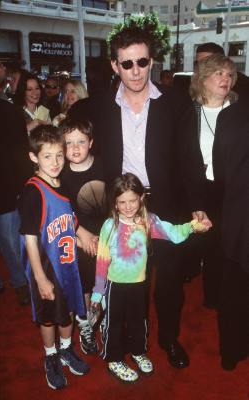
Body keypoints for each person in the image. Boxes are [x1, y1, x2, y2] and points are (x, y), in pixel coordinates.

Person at [80, 14, 208, 369]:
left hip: (165, 206)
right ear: (115, 66)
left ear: (152, 61)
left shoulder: (176, 101)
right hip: (120, 211)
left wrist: (197, 204)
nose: (136, 70)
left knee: (168, 283)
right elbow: (86, 157)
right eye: (127, 63)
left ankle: (168, 339)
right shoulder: (100, 105)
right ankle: (121, 343)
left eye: (142, 61)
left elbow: (189, 157)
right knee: (122, 284)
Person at [91, 173, 211, 382]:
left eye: (132, 200)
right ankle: (114, 359)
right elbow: (102, 261)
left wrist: (192, 226)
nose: (128, 207)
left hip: (139, 285)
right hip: (115, 286)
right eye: (122, 202)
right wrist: (98, 292)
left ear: (141, 198)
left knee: (139, 322)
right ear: (115, 203)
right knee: (114, 324)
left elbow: (173, 233)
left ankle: (138, 351)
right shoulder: (109, 226)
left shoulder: (149, 221)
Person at [18, 125, 97, 390]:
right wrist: (40, 277)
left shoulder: (63, 185)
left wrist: (80, 235)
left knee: (69, 310)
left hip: (67, 264)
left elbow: (65, 222)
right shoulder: (33, 192)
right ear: (34, 158)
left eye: (59, 156)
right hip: (46, 267)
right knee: (49, 315)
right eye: (47, 156)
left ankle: (66, 348)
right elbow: (30, 237)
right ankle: (50, 354)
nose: (55, 162)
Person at [186, 54, 238, 307]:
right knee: (207, 243)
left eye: (229, 74)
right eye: (219, 73)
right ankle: (212, 294)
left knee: (229, 244)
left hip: (234, 188)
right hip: (202, 187)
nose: (225, 79)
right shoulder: (190, 111)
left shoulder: (240, 110)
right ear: (203, 79)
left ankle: (225, 296)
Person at [60, 118, 106, 355]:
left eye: (81, 141)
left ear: (91, 142)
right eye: (68, 144)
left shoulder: (104, 166)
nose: (75, 148)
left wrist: (106, 236)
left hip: (106, 235)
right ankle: (86, 323)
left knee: (107, 282)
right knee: (85, 284)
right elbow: (64, 213)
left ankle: (104, 317)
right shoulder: (62, 175)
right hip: (79, 238)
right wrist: (82, 237)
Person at [213, 98, 249, 371]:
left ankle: (231, 352)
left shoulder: (229, 116)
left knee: (233, 288)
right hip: (236, 215)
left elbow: (220, 173)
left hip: (236, 215)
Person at [0, 98, 32, 305]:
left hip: (6, 188)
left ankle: (21, 283)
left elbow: (21, 151)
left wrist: (23, 185)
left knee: (11, 241)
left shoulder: (8, 110)